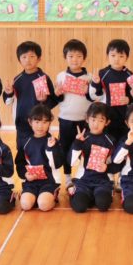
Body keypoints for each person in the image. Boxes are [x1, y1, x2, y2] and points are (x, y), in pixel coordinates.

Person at [3, 41, 57, 147]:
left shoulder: (43, 78)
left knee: (39, 150)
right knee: (21, 151)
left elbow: (53, 101)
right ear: (19, 60)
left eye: (32, 56)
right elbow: (8, 101)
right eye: (24, 57)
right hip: (21, 123)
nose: (28, 60)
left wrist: (44, 100)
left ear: (39, 59)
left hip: (39, 125)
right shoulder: (17, 79)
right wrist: (8, 93)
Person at [68, 102, 119, 213]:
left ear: (107, 122)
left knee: (103, 205)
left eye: (101, 120)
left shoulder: (110, 141)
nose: (96, 124)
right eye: (93, 119)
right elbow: (71, 162)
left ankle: (94, 196)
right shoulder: (81, 138)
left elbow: (117, 165)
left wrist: (107, 168)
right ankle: (77, 192)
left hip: (103, 181)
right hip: (83, 181)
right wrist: (77, 144)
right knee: (79, 207)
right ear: (87, 119)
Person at [54, 39, 92, 187]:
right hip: (66, 119)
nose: (74, 59)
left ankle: (83, 175)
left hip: (85, 120)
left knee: (85, 148)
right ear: (65, 57)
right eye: (71, 56)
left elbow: (95, 97)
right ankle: (68, 177)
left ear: (84, 58)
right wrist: (57, 94)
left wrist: (88, 91)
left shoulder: (89, 77)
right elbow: (58, 99)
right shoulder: (61, 76)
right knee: (65, 148)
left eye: (78, 56)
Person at [16, 105, 63, 212]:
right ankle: (31, 196)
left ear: (49, 123)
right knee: (25, 205)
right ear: (30, 122)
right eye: (37, 122)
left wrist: (51, 149)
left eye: (44, 122)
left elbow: (58, 164)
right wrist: (25, 175)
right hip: (31, 182)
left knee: (43, 205)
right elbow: (20, 163)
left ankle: (52, 194)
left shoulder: (52, 141)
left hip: (49, 181)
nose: (40, 126)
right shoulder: (25, 142)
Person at [90, 39, 133, 142]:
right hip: (106, 115)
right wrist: (96, 83)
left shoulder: (130, 75)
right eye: (113, 55)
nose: (116, 59)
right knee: (107, 140)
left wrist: (129, 99)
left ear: (127, 58)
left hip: (124, 115)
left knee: (123, 140)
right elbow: (97, 95)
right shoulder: (102, 73)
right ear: (107, 56)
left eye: (121, 56)